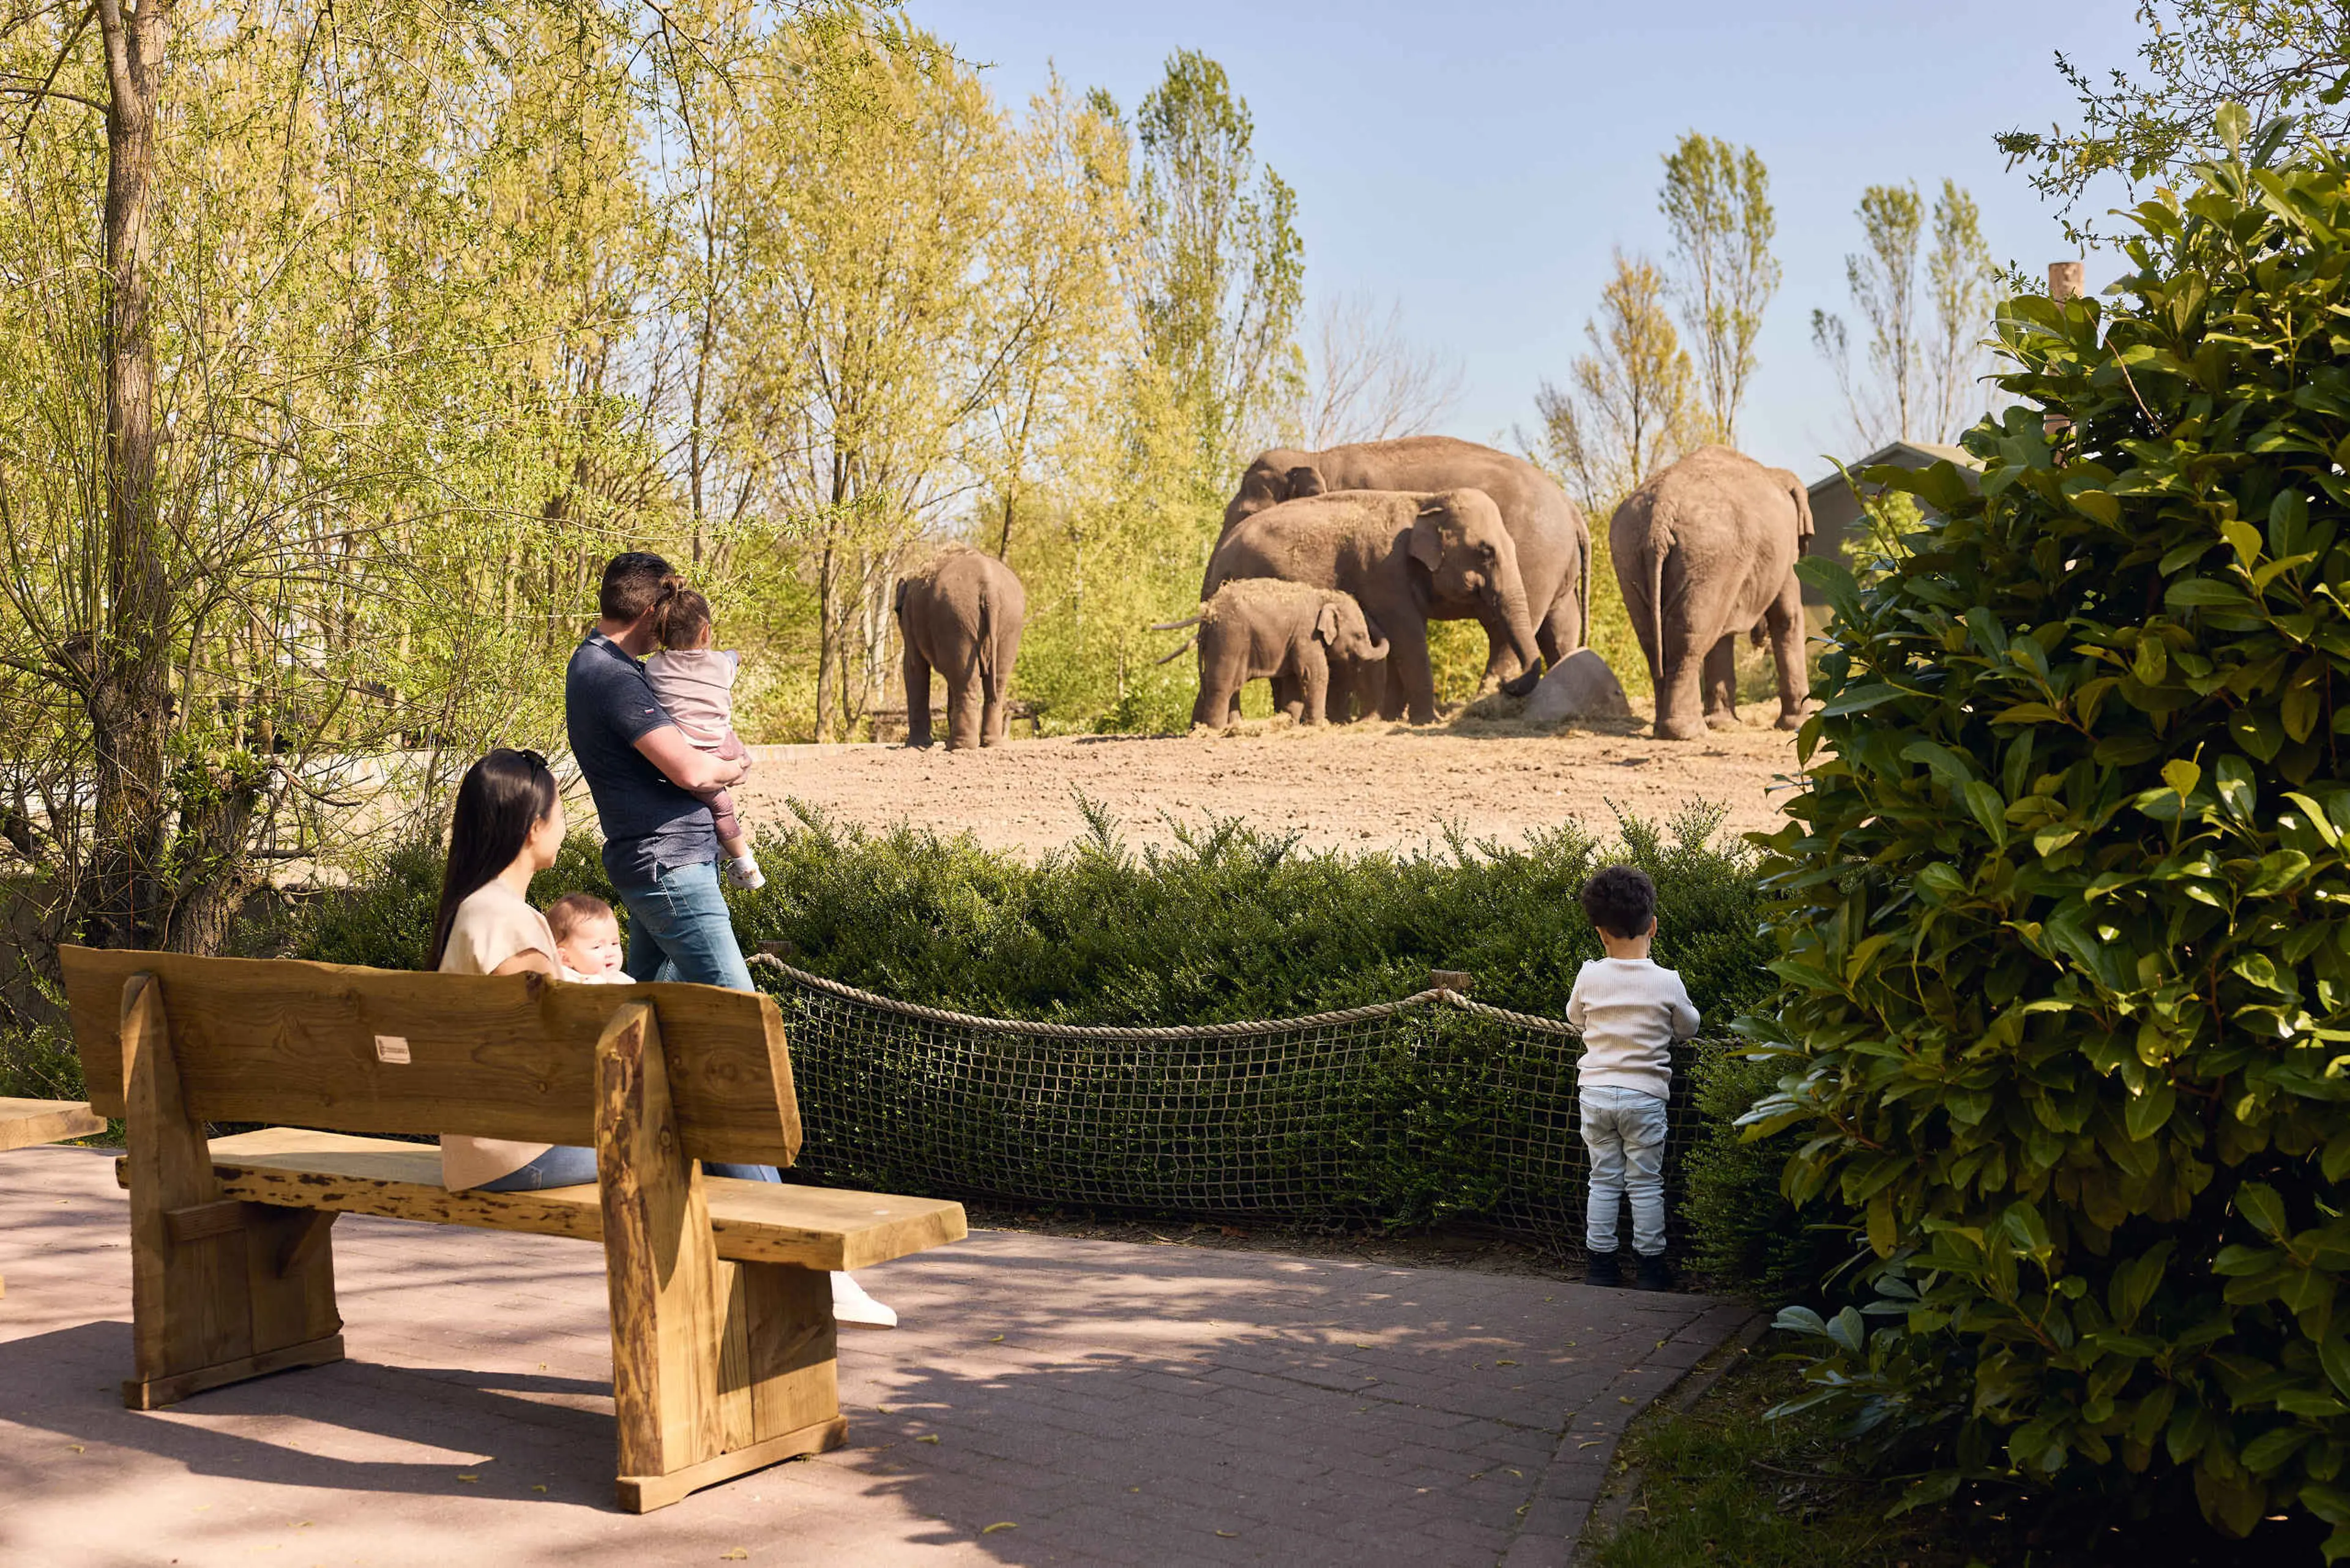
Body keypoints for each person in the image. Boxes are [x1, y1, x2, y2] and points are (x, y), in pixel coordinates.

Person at [565, 554, 897, 1327]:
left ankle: (672, 1201)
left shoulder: (606, 667)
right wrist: (731, 765)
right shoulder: (611, 675)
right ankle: (796, 1259)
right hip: (672, 874)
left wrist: (721, 763)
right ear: (651, 614)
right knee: (739, 1038)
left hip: (662, 868)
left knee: (636, 1023)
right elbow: (690, 767)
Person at [430, 749, 786, 1196]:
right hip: (517, 1153)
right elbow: (557, 1054)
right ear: (533, 827)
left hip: (484, 1148)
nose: (563, 827)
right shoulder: (509, 923)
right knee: (700, 1116)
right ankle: (796, 1251)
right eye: (559, 814)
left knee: (681, 1114)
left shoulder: (471, 911)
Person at [1565, 864, 1699, 1291]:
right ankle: (1650, 1268)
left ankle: (1601, 1267)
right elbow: (1689, 1026)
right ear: (1653, 926)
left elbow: (1575, 1017)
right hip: (1645, 1097)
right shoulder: (1667, 982)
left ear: (1601, 933)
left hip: (1597, 1094)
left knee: (1603, 1179)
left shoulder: (1589, 975)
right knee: (1645, 1183)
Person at [642, 588, 765, 892]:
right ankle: (738, 856)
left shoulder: (655, 667)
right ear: (706, 631)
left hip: (688, 751)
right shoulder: (720, 665)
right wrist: (734, 655)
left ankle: (737, 856)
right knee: (728, 792)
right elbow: (731, 660)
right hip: (724, 747)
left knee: (720, 807)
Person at [546, 892, 629, 982]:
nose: (611, 953)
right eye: (597, 947)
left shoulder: (622, 979)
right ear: (565, 958)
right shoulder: (566, 981)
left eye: (614, 943)